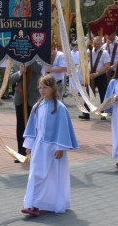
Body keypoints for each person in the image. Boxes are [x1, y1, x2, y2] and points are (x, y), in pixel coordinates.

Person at [21, 74, 79, 217]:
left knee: (52, 176)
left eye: (45, 87)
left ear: (53, 88)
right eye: (40, 88)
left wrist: (61, 148)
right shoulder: (37, 106)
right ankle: (32, 204)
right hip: (39, 146)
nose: (42, 90)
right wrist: (29, 144)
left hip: (53, 149)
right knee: (36, 173)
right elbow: (32, 127)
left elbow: (63, 129)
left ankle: (49, 202)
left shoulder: (59, 108)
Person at [12, 60, 42, 154]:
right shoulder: (16, 61)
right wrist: (20, 72)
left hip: (33, 99)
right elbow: (11, 79)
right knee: (21, 126)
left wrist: (31, 62)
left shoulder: (38, 60)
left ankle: (34, 151)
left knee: (35, 126)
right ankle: (21, 152)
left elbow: (40, 70)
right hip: (21, 98)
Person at [79, 36, 110, 120]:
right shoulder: (90, 51)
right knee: (88, 94)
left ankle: (103, 113)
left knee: (103, 94)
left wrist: (97, 74)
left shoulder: (104, 53)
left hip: (101, 76)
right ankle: (86, 113)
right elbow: (82, 55)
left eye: (98, 44)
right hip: (91, 75)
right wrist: (87, 44)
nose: (96, 45)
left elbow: (107, 66)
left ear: (101, 44)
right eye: (94, 43)